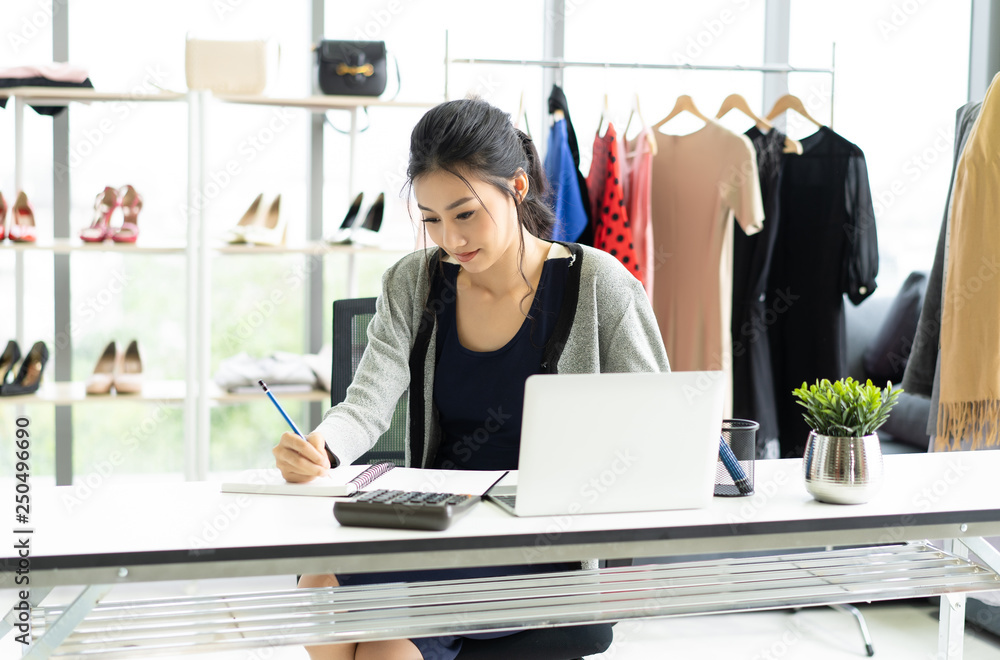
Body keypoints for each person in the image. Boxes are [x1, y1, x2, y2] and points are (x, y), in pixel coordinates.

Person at [272, 97, 670, 660]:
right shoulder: (412, 282)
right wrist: (323, 447)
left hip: (538, 531)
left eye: (466, 214)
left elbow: (658, 422)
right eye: (432, 220)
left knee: (386, 641)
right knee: (317, 585)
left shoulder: (599, 285)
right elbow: (367, 401)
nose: (452, 240)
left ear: (517, 187)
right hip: (434, 518)